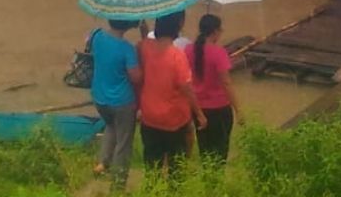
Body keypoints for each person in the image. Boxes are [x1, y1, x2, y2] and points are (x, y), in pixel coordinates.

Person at [137, 10, 206, 176]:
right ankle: (174, 196)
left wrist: (143, 29)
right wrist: (200, 114)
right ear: (180, 24)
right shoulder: (177, 56)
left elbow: (145, 44)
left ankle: (153, 196)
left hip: (149, 117)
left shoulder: (144, 47)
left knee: (152, 166)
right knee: (177, 168)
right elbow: (187, 89)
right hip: (174, 121)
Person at [184, 14, 243, 164]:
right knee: (220, 151)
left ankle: (207, 178)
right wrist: (238, 111)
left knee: (205, 149)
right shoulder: (218, 53)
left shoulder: (188, 50)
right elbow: (227, 83)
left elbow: (187, 79)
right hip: (219, 109)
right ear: (215, 31)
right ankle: (216, 183)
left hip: (198, 109)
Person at [90, 19, 143, 187]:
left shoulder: (96, 35)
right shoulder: (127, 48)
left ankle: (103, 163)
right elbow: (136, 77)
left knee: (111, 125)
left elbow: (90, 46)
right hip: (122, 101)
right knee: (124, 142)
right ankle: (118, 183)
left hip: (99, 97)